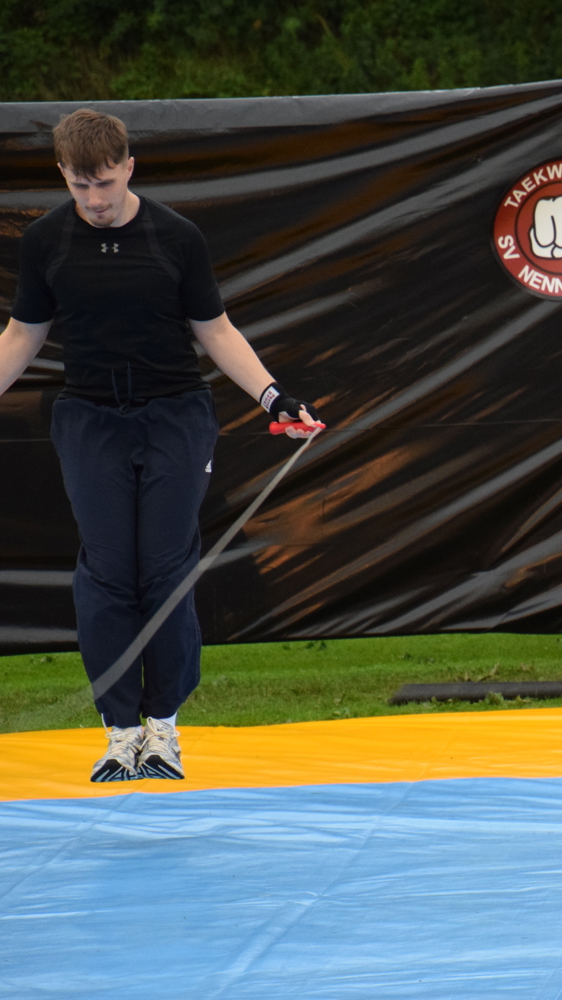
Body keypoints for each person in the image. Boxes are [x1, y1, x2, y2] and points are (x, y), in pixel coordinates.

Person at [0, 109, 322, 782]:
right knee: (107, 569)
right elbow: (22, 335)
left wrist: (275, 398)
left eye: (105, 183)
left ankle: (163, 729)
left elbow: (217, 329)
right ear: (62, 174)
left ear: (129, 168)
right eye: (80, 186)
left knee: (166, 567)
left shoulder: (176, 237)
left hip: (174, 415)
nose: (94, 199)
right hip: (91, 419)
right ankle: (120, 734)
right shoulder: (46, 240)